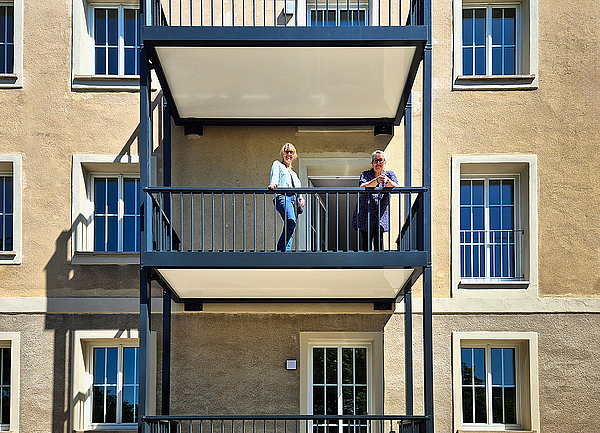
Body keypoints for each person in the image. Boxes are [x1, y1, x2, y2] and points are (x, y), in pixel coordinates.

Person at [354, 150, 399, 251]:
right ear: (372, 163)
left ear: (385, 162)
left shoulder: (390, 174)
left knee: (379, 240)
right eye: (375, 160)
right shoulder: (365, 174)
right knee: (366, 241)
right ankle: (366, 265)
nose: (378, 163)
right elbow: (362, 186)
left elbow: (396, 186)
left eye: (380, 160)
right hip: (365, 213)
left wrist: (387, 181)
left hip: (380, 214)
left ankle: (379, 264)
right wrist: (377, 181)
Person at [268, 143, 305, 252]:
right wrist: (273, 184)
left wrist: (301, 197)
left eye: (291, 152)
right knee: (290, 220)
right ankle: (281, 249)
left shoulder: (294, 173)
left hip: (294, 200)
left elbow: (298, 188)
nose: (288, 154)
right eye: (286, 152)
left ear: (294, 155)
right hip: (283, 197)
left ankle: (286, 251)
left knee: (291, 225)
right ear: (282, 154)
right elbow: (275, 176)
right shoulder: (278, 164)